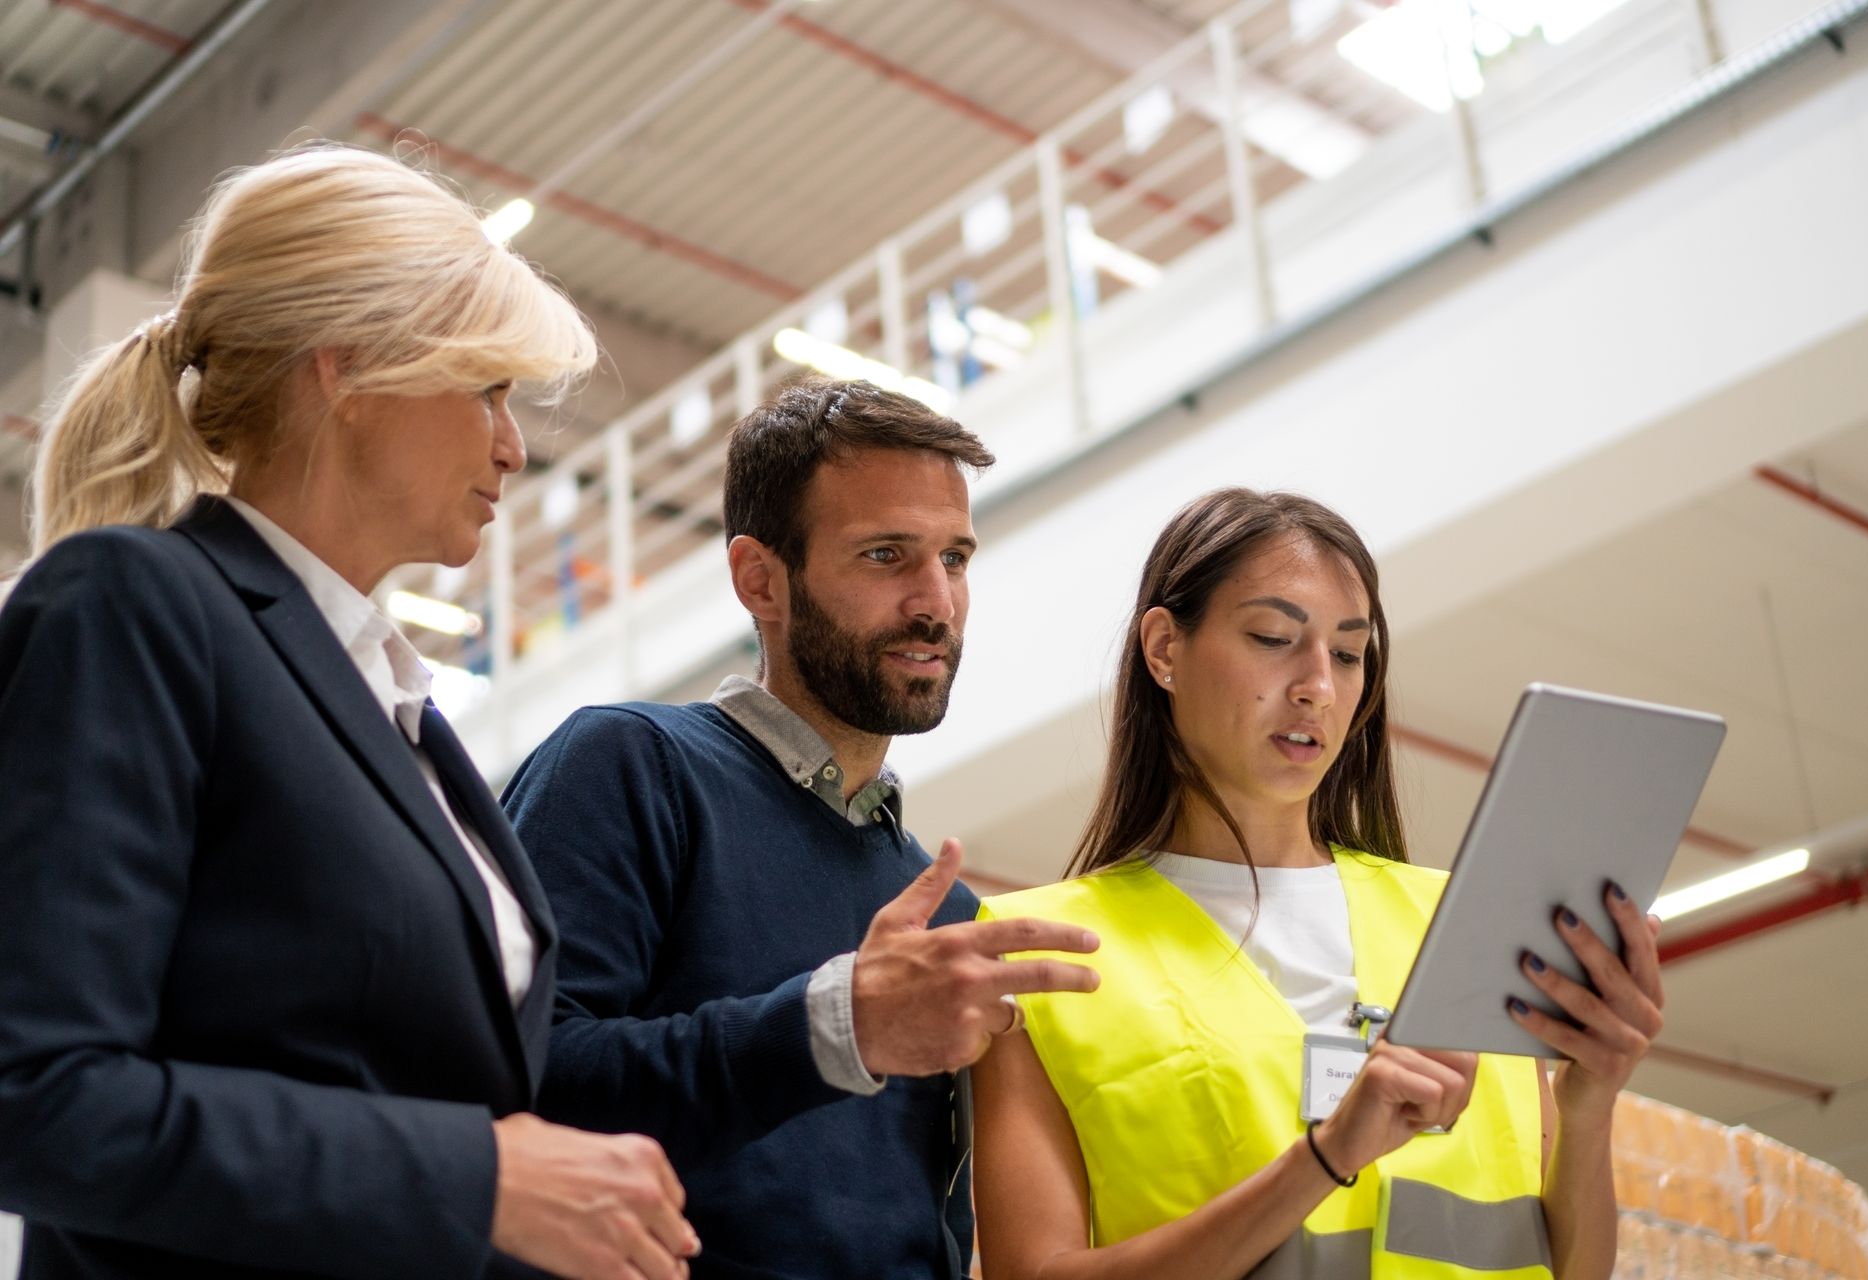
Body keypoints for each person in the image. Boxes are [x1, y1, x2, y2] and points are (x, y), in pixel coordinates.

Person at [0, 144, 698, 1280]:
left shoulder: (388, 698)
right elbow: (37, 1091)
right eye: (488, 389)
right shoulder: (137, 604)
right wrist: (479, 1175)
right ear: (351, 366)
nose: (513, 446)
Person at [973, 488, 1665, 1280]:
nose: (1319, 689)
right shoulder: (1039, 959)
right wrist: (1328, 1156)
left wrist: (1589, 1105)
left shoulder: (1464, 918)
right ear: (1164, 649)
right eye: (1273, 638)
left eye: (1347, 653)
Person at [503, 377, 1102, 1280]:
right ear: (760, 580)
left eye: (956, 557)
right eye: (886, 555)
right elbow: (521, 1085)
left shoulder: (943, 911)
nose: (935, 601)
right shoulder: (631, 765)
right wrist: (834, 1025)